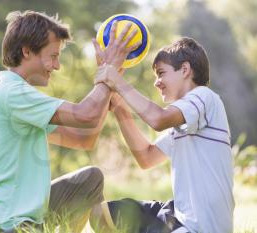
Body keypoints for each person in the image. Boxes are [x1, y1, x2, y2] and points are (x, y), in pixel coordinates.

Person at [0, 10, 139, 233]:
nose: (57, 66)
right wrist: (108, 73)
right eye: (53, 56)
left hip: (24, 219)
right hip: (2, 225)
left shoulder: (22, 100)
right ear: (26, 51)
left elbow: (84, 139)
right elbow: (86, 115)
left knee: (90, 180)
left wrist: (110, 85)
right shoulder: (12, 94)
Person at [90, 37, 234, 233]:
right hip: (177, 214)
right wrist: (120, 109)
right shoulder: (182, 123)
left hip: (200, 226)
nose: (157, 83)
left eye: (161, 73)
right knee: (102, 213)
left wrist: (116, 80)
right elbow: (146, 157)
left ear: (185, 70)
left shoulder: (205, 97)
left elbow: (158, 119)